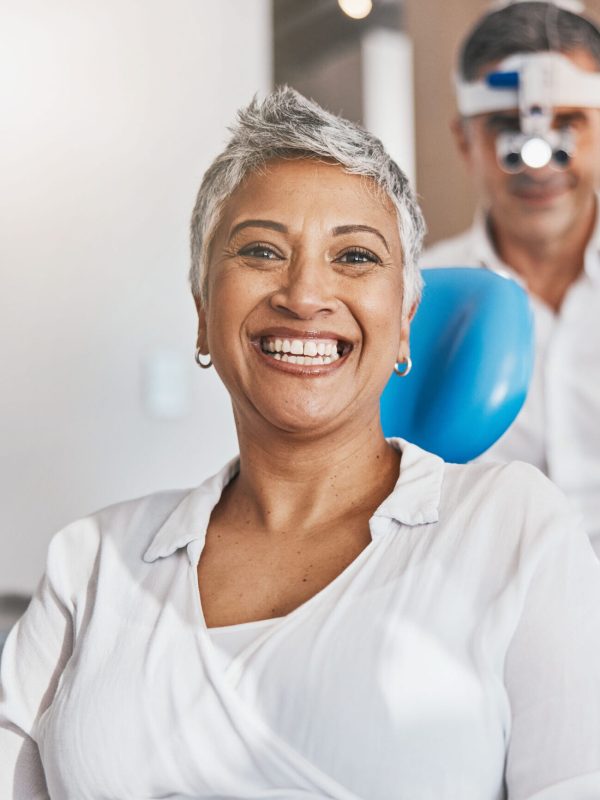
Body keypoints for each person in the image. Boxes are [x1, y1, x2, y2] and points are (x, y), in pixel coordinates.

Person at [1, 88, 599, 800]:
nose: (304, 293)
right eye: (260, 250)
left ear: (406, 320)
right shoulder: (92, 561)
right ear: (202, 311)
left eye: (354, 256)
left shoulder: (511, 526)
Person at [422, 0, 600, 555]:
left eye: (566, 125)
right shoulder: (414, 296)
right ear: (463, 142)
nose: (539, 161)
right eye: (506, 130)